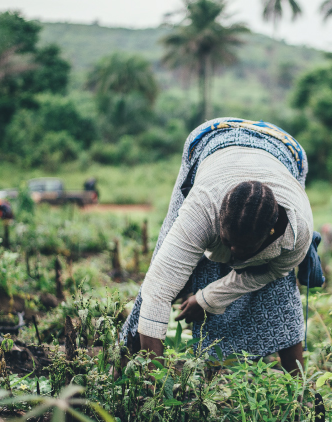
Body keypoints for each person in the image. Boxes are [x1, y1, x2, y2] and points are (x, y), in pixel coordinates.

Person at [120, 117, 318, 376]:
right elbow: (158, 291)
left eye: (243, 249)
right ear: (217, 220)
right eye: (227, 243)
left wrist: (207, 299)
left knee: (279, 290)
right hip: (212, 139)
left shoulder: (295, 232)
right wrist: (155, 381)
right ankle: (128, 359)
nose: (233, 255)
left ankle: (298, 387)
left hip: (286, 150)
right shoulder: (202, 208)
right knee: (162, 265)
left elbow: (268, 273)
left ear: (270, 233)